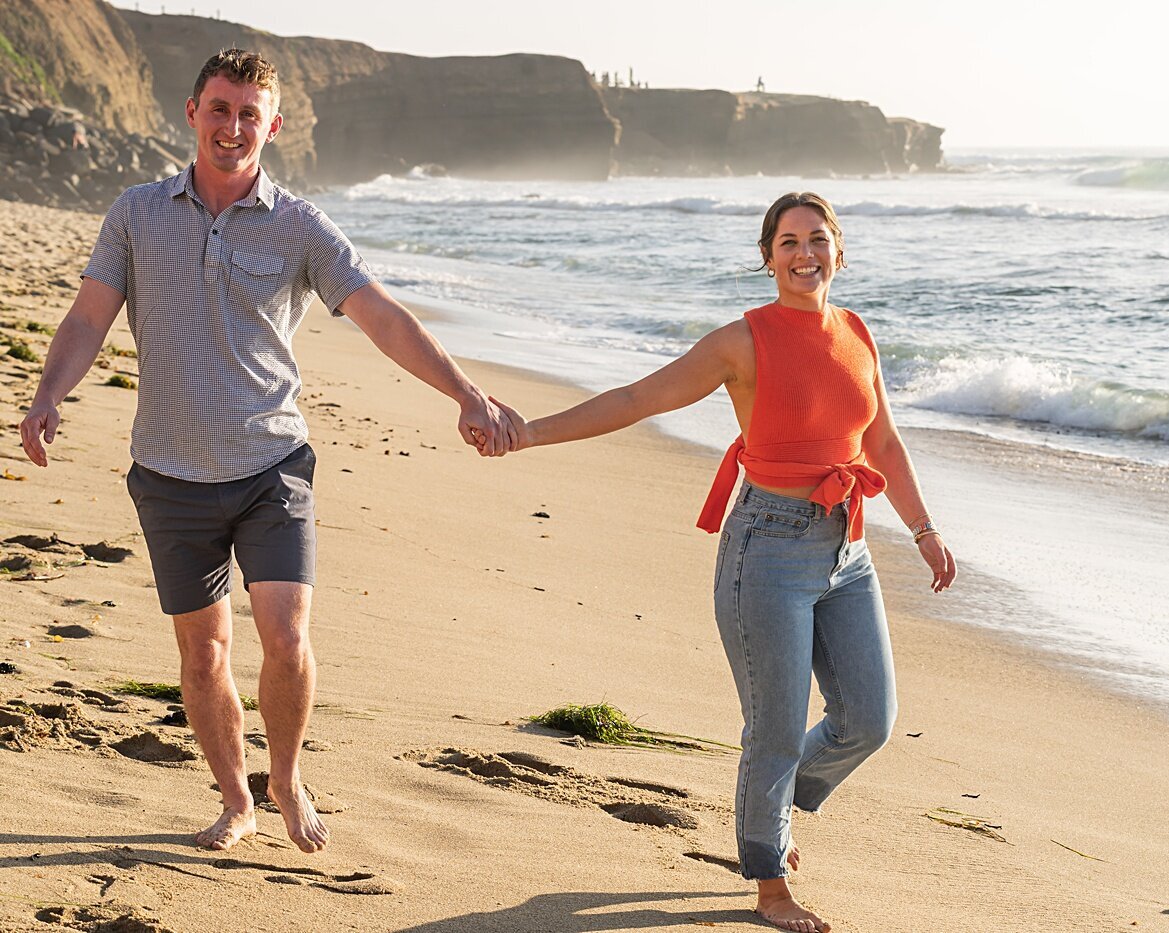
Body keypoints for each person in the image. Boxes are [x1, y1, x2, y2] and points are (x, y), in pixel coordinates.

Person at [17, 48, 512, 854]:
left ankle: (284, 776)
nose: (233, 126)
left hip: (271, 465)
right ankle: (236, 799)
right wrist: (48, 394)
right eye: (220, 108)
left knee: (285, 637)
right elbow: (86, 317)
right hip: (169, 474)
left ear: (272, 126)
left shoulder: (302, 226)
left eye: (250, 114)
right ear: (192, 112)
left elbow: (381, 313)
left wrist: (464, 392)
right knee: (204, 652)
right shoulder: (137, 213)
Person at [492, 191, 955, 933]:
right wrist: (529, 434)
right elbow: (638, 398)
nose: (805, 254)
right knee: (772, 727)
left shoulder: (859, 333)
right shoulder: (742, 341)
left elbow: (884, 444)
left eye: (817, 239)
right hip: (765, 548)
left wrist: (925, 527)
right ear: (768, 255)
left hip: (849, 546)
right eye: (788, 241)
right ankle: (770, 884)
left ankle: (766, 805)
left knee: (870, 717)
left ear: (840, 248)